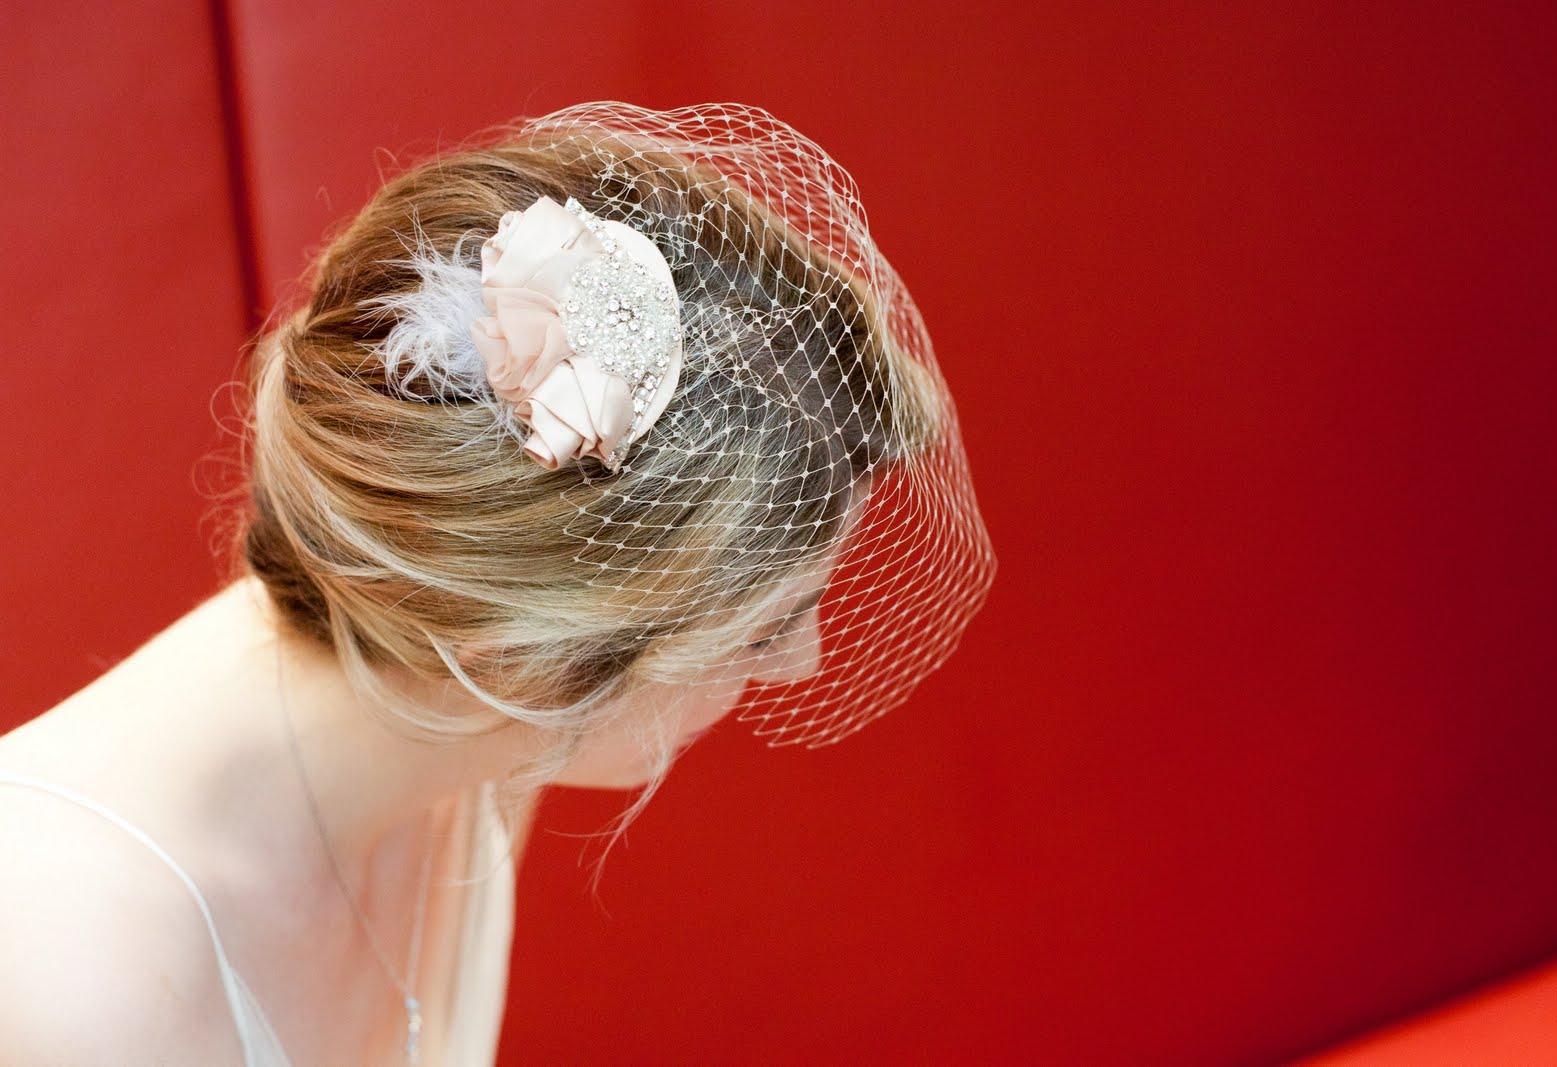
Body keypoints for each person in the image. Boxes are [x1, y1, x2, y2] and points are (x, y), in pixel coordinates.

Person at [0, 102, 995, 1064]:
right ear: (516, 651)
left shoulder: (458, 747)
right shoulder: (74, 967)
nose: (802, 661)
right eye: (759, 628)